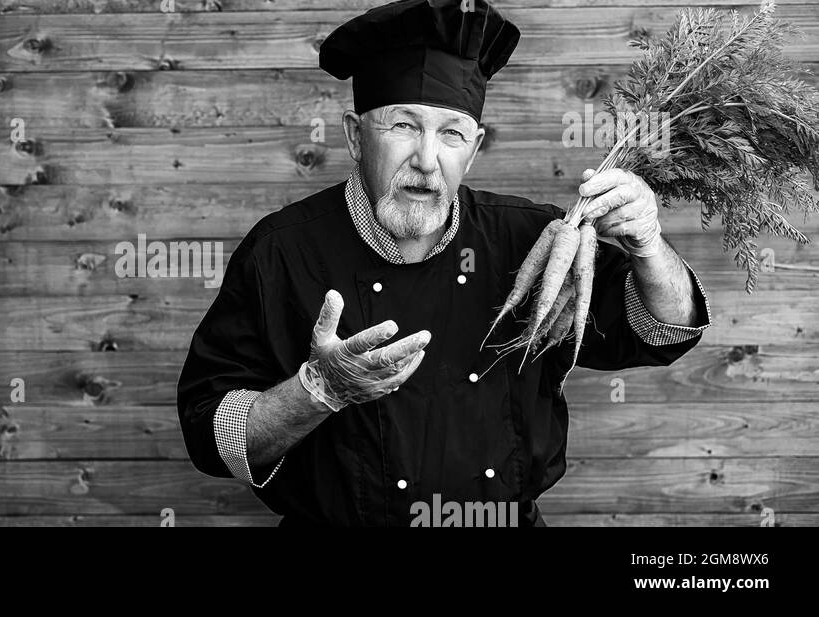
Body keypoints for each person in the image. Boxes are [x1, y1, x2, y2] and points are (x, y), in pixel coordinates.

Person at [176, 0, 712, 526]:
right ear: (353, 136)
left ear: (473, 149)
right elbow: (212, 436)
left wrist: (647, 245)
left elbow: (662, 330)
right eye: (403, 126)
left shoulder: (535, 240)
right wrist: (318, 390)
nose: (427, 160)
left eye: (450, 133)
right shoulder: (281, 252)